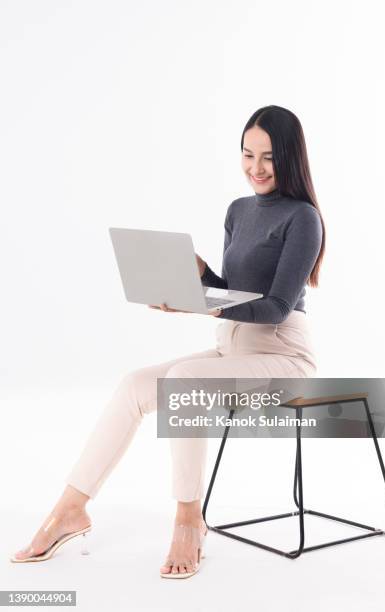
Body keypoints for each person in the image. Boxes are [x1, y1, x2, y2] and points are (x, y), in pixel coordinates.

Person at [10, 105, 325, 578]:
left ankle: (187, 517)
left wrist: (203, 305)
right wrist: (199, 278)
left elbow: (276, 306)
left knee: (182, 382)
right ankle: (70, 508)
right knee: (135, 384)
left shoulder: (303, 219)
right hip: (231, 349)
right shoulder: (238, 211)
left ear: (290, 158)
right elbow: (236, 287)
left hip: (283, 356)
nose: (255, 168)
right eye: (247, 155)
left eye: (268, 158)